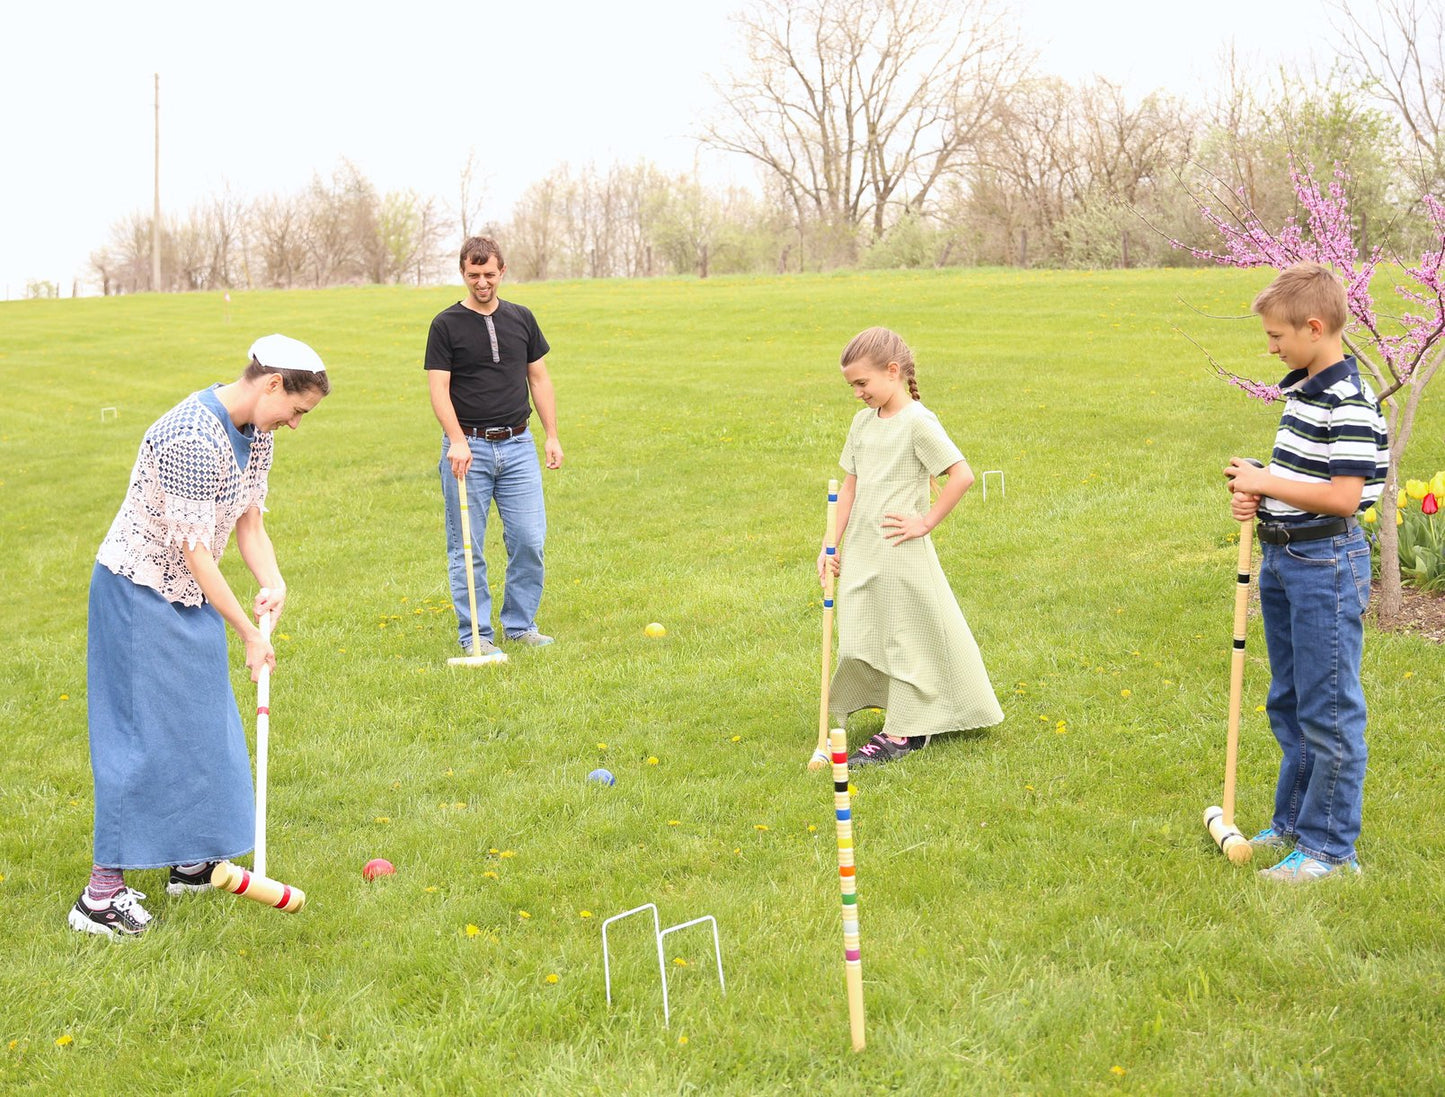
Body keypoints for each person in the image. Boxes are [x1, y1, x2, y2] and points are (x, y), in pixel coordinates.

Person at [70, 335, 330, 936]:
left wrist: (273, 580)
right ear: (272, 385)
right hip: (138, 591)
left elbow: (249, 523)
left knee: (203, 721)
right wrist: (245, 630)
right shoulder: (190, 435)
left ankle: (190, 863)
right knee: (138, 737)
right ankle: (99, 897)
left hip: (186, 594)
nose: (294, 424)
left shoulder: (255, 434)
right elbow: (193, 553)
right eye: (297, 410)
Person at [1225, 261, 1388, 883]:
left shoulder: (1347, 402)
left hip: (1326, 562)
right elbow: (1303, 479)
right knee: (1289, 700)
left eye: (1276, 337)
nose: (1270, 348)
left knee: (1329, 708)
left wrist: (1269, 481)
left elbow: (1344, 497)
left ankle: (1329, 850)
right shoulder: (1305, 390)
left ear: (1314, 327)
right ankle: (1293, 823)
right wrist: (1260, 495)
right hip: (1284, 554)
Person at [817, 327, 1004, 767]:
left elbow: (962, 475)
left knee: (904, 637)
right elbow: (849, 487)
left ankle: (903, 733)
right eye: (852, 386)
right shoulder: (862, 423)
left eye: (862, 383)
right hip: (864, 549)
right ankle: (891, 705)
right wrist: (830, 543)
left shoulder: (918, 422)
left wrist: (925, 521)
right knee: (863, 631)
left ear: (894, 371)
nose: (858, 393)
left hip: (899, 551)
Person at [426, 236, 563, 656]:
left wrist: (551, 435)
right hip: (470, 451)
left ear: (502, 271)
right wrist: (456, 441)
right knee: (467, 548)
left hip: (519, 445)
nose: (481, 282)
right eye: (473, 275)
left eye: (489, 274)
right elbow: (439, 389)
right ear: (463, 273)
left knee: (529, 540)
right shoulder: (445, 324)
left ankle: (520, 626)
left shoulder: (521, 318)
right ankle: (477, 638)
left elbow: (538, 379)